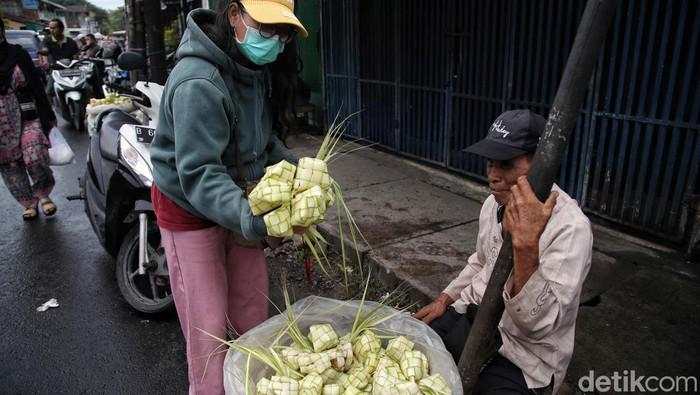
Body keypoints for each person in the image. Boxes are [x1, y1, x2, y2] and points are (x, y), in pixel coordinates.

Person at [149, 1, 308, 393]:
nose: (275, 40)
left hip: (238, 204)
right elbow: (200, 173)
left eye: (282, 31)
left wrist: (300, 171)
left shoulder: (253, 70)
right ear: (235, 15)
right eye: (265, 26)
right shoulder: (198, 83)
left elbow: (260, 141)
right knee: (209, 330)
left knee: (252, 313)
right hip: (190, 210)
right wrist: (253, 220)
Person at [413, 110, 593, 394]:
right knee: (411, 358)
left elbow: (538, 325)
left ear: (542, 164)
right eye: (490, 164)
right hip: (475, 319)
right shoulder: (492, 204)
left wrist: (526, 245)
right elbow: (480, 262)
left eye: (506, 165)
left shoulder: (570, 228)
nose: (493, 177)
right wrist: (444, 299)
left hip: (524, 354)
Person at [0, 19, 58, 220]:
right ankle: (28, 202)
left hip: (27, 115)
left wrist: (48, 114)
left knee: (35, 153)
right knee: (11, 165)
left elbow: (36, 84)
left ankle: (43, 195)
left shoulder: (17, 53)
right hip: (1, 126)